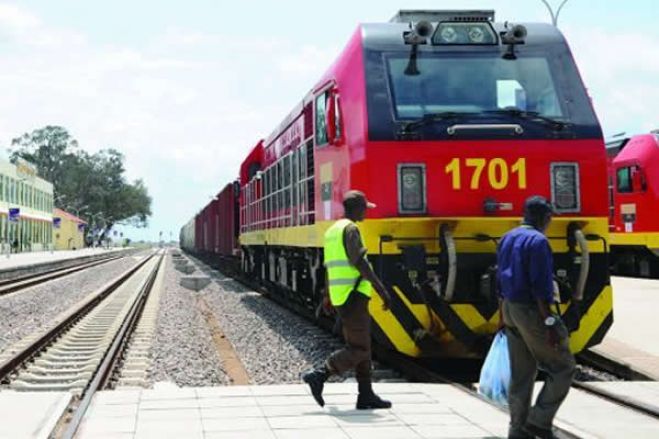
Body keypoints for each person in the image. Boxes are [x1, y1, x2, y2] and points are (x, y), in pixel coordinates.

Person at [302, 190, 393, 410]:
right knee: (360, 348)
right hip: (354, 296)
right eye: (364, 209)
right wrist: (382, 290)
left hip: (341, 295)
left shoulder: (333, 230)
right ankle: (321, 374)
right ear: (356, 209)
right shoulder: (351, 229)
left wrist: (326, 295)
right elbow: (360, 262)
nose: (366, 213)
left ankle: (366, 395)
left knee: (363, 346)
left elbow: (328, 267)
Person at [497, 196, 576, 439]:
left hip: (509, 309)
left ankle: (517, 429)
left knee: (521, 374)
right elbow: (540, 286)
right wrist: (550, 323)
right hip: (531, 310)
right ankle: (539, 421)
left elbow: (499, 280)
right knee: (563, 367)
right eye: (550, 218)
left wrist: (502, 317)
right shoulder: (538, 241)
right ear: (544, 217)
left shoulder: (507, 238)